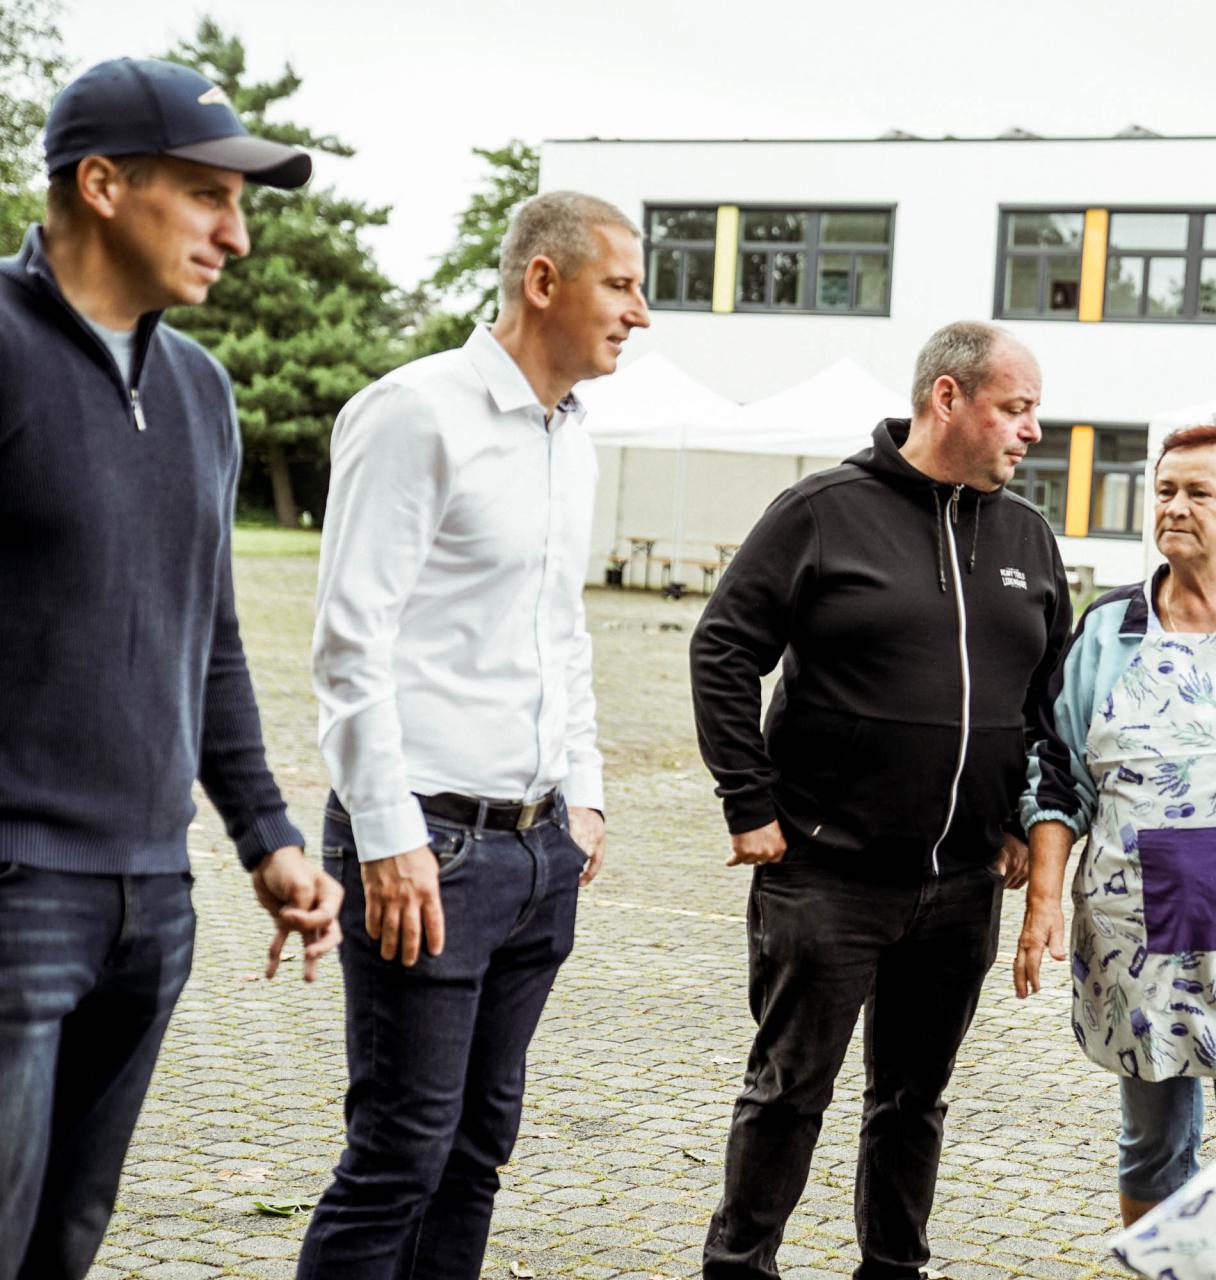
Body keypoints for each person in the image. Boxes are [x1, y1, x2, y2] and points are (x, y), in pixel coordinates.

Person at [0, 58, 341, 1280]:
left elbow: (214, 634)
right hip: (18, 890)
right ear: (102, 185)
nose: (236, 236)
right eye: (207, 195)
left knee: (64, 1243)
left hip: (153, 898)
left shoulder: (201, 389)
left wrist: (267, 834)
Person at [300, 191, 644, 1276]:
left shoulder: (571, 436)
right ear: (543, 281)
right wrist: (387, 834)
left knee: (476, 1154)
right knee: (398, 1155)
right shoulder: (415, 413)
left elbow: (558, 628)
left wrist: (584, 796)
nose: (640, 313)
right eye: (621, 285)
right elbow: (349, 643)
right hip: (427, 847)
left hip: (540, 854)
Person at [690, 320, 1074, 1280]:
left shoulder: (1027, 536)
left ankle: (894, 1273)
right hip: (828, 873)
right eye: (1016, 409)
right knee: (789, 1093)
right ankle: (738, 1269)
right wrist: (748, 801)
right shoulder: (823, 510)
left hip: (962, 885)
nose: (1033, 431)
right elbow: (724, 648)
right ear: (947, 398)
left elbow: (1047, 700)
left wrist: (1019, 818)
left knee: (914, 1101)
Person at [1013, 421, 1216, 1225]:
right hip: (1134, 929)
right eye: (1164, 490)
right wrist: (1042, 901)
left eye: (1199, 492)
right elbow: (1056, 770)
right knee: (1151, 1142)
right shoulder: (1108, 629)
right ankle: (1155, 1266)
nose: (1174, 506)